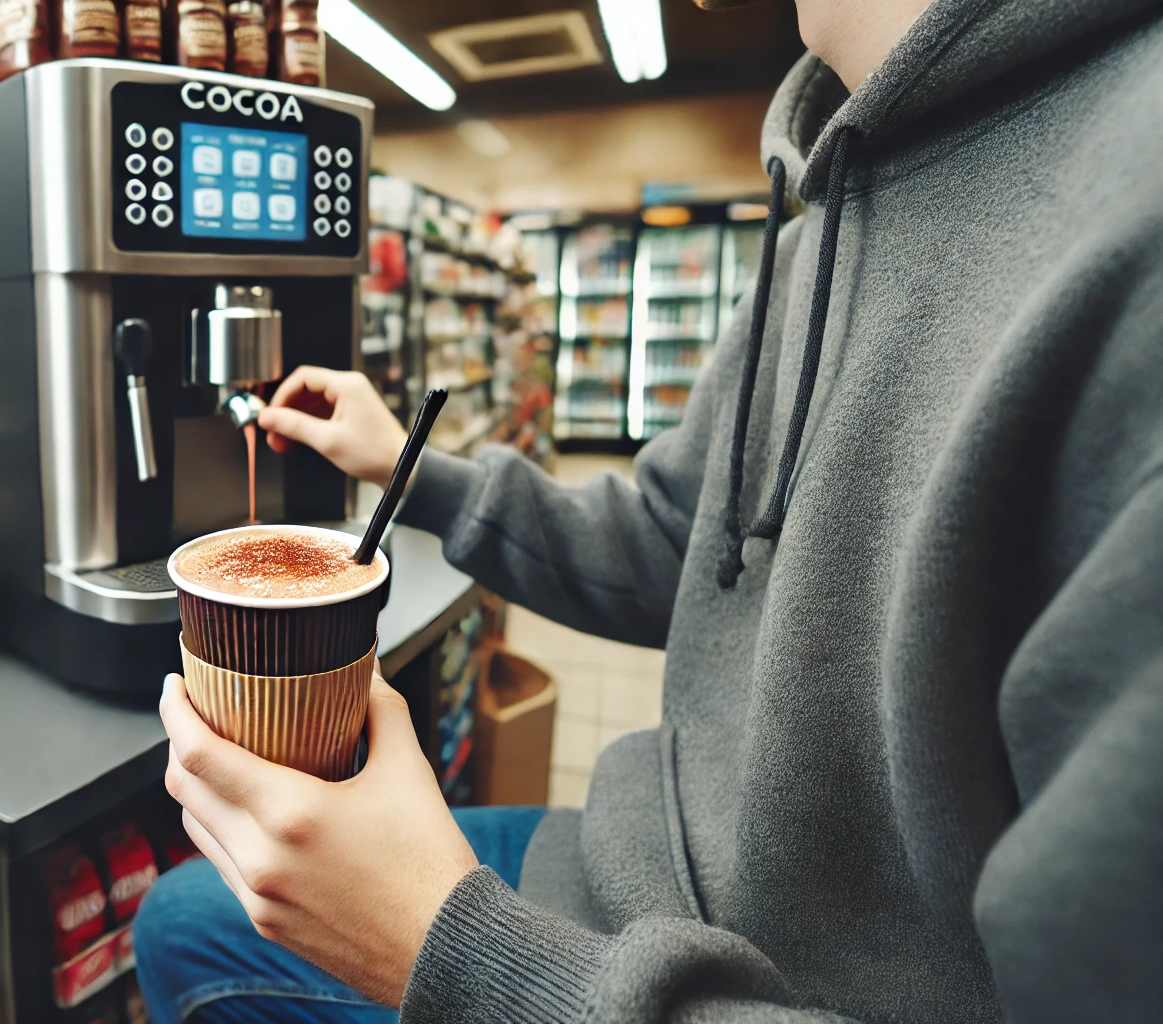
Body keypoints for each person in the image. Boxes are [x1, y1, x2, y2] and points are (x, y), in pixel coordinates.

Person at [132, 0, 1163, 1019]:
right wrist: (411, 466)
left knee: (186, 927)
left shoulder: (1131, 215)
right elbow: (684, 545)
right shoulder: (828, 209)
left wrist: (448, 952)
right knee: (188, 913)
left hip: (696, 975)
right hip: (658, 869)